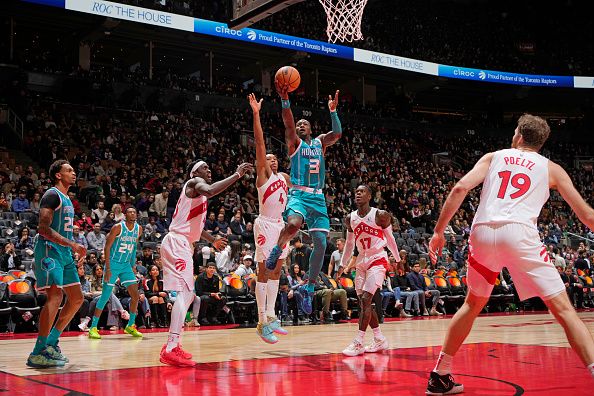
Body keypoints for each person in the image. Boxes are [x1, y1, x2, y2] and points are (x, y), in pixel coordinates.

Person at [425, 114, 594, 394]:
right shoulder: (552, 169)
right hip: (519, 233)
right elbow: (586, 215)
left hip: (482, 232)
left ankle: (440, 375)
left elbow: (460, 188)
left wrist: (439, 231)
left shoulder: (494, 157)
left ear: (518, 136)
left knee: (472, 304)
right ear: (540, 143)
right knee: (564, 310)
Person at [159, 159, 252, 367]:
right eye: (204, 167)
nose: (208, 170)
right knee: (185, 294)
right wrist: (236, 175)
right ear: (194, 173)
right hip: (177, 242)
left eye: (209, 167)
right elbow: (210, 190)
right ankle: (171, 347)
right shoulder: (194, 184)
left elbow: (196, 228)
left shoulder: (197, 199)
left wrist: (213, 241)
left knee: (189, 295)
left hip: (183, 243)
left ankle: (174, 344)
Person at [264, 87, 342, 316]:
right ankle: (278, 248)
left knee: (321, 243)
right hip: (298, 193)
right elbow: (288, 123)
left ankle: (308, 287)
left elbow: (337, 134)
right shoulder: (294, 144)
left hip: (318, 197)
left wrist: (334, 112)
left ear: (311, 128)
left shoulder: (320, 143)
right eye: (298, 124)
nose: (300, 125)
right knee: (294, 224)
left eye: (304, 123)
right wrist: (285, 100)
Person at [27, 160, 86, 368]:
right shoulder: (52, 195)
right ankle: (38, 351)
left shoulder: (68, 199)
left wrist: (73, 248)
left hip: (64, 252)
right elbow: (43, 228)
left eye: (73, 169)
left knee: (77, 298)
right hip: (49, 250)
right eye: (69, 170)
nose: (74, 172)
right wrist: (72, 244)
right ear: (58, 175)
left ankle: (51, 343)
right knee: (55, 296)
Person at [338, 185, 401, 356]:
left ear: (370, 196)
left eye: (362, 191)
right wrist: (342, 264)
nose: (358, 194)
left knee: (366, 299)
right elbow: (350, 244)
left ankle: (358, 342)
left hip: (378, 258)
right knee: (364, 303)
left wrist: (398, 259)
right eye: (356, 192)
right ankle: (379, 339)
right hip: (361, 261)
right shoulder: (350, 218)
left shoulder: (380, 215)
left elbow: (390, 238)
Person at [249, 93, 291, 344]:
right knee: (264, 270)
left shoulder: (284, 179)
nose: (271, 159)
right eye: (268, 158)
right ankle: (261, 321)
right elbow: (259, 142)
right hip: (265, 223)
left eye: (275, 158)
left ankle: (272, 315)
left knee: (277, 271)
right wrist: (256, 114)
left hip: (280, 226)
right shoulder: (263, 178)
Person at [88, 207, 143, 339]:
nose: (132, 214)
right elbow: (107, 247)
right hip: (112, 264)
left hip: (125, 266)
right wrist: (107, 268)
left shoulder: (139, 229)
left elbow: (134, 247)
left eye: (134, 212)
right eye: (130, 212)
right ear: (125, 215)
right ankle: (93, 327)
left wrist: (133, 264)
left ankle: (130, 325)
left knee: (135, 295)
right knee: (105, 296)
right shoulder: (118, 227)